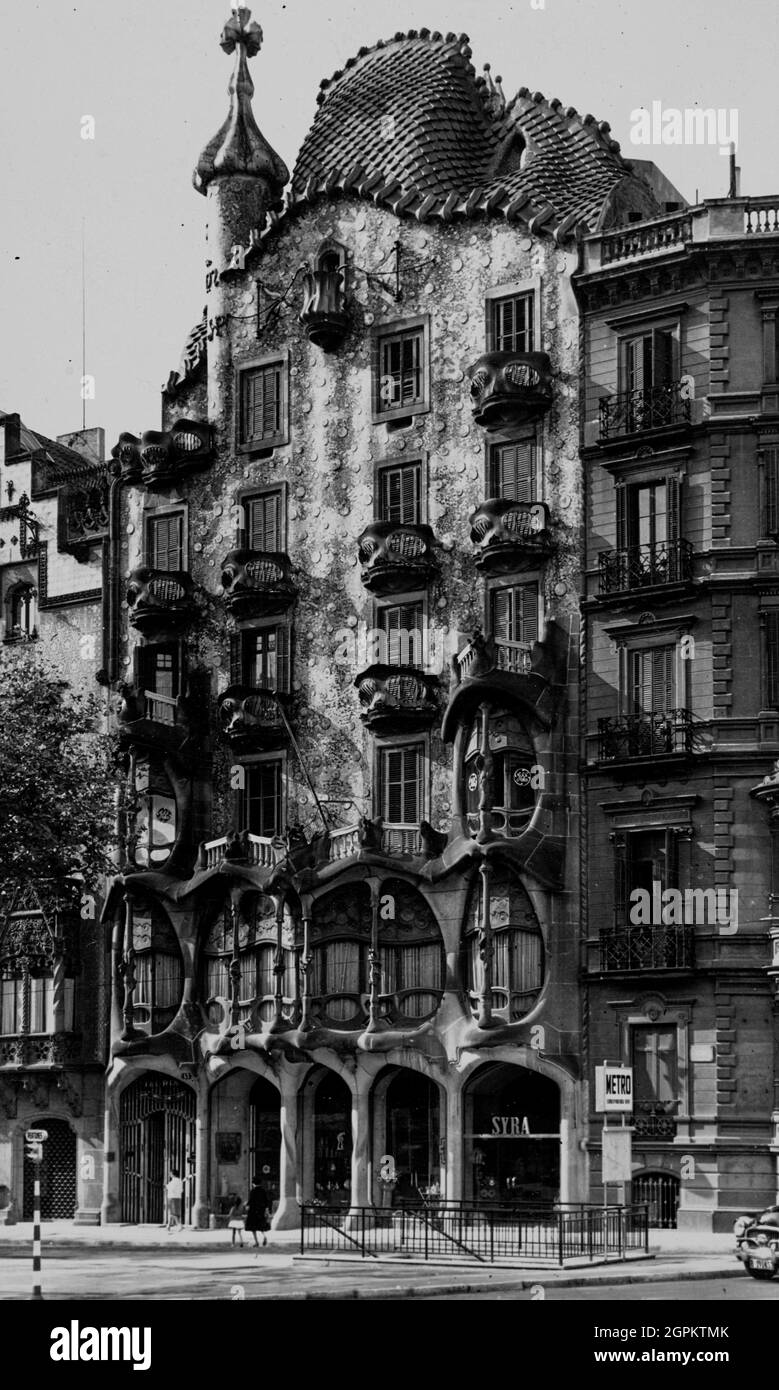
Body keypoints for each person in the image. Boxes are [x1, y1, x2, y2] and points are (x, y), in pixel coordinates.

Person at [244, 1176, 271, 1248]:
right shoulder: (263, 1191)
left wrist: (247, 1205)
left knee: (253, 1228)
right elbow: (266, 1201)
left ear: (253, 1183)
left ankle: (256, 1242)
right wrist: (266, 1210)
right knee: (261, 1226)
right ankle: (264, 1236)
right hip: (261, 1211)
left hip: (253, 1211)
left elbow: (250, 1201)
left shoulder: (253, 1191)